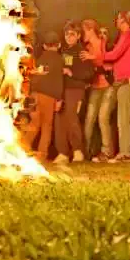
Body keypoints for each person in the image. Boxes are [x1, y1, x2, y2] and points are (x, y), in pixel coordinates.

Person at [102, 11, 130, 163]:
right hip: (126, 81)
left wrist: (100, 50)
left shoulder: (128, 35)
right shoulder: (129, 36)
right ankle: (124, 152)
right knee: (123, 118)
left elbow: (113, 54)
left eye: (119, 18)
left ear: (124, 20)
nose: (116, 20)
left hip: (128, 81)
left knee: (123, 118)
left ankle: (125, 153)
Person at [54, 23, 94, 164]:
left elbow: (89, 73)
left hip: (75, 90)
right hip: (61, 90)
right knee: (60, 120)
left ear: (78, 36)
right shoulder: (62, 52)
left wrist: (72, 73)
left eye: (72, 34)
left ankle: (78, 151)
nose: (69, 37)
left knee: (72, 119)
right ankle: (63, 152)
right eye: (67, 34)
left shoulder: (82, 52)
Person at [22, 31, 64, 161]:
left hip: (35, 94)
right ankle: (42, 154)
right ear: (59, 45)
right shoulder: (59, 60)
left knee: (34, 123)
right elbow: (58, 81)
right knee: (47, 126)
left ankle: (22, 148)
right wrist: (59, 98)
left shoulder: (39, 59)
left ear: (45, 46)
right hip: (49, 96)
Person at [81, 19, 114, 162]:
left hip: (107, 85)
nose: (83, 34)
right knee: (89, 119)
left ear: (90, 30)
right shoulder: (86, 47)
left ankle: (107, 151)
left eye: (84, 31)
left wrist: (92, 57)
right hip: (95, 86)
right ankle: (84, 151)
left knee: (103, 117)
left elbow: (109, 60)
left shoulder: (103, 42)